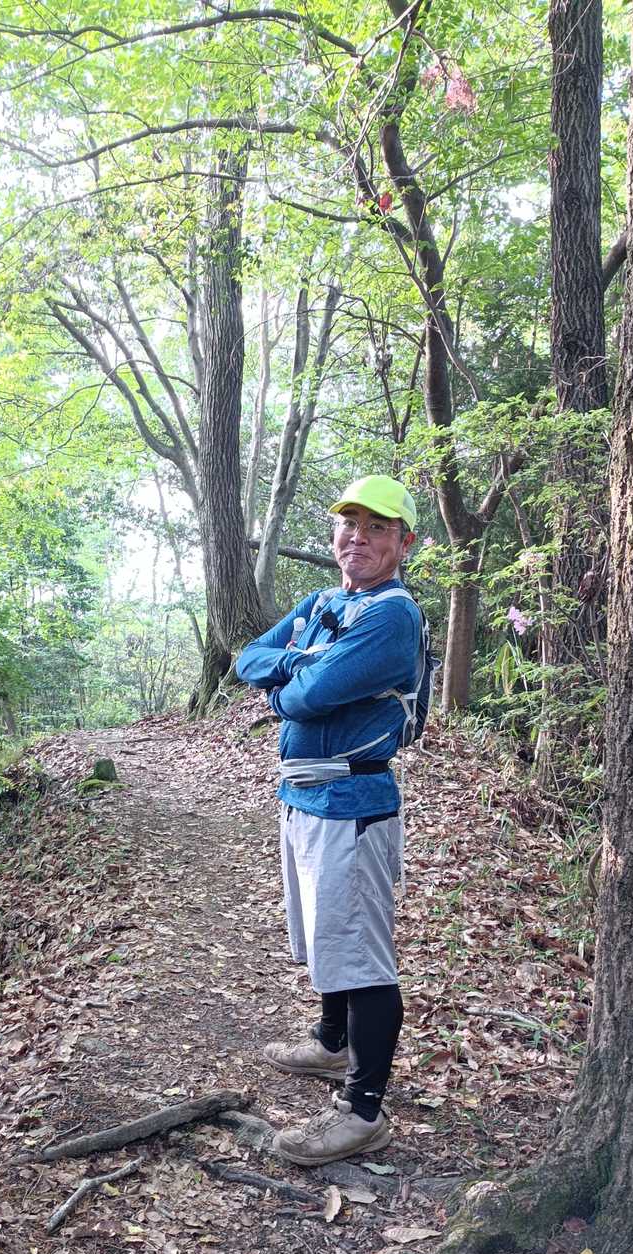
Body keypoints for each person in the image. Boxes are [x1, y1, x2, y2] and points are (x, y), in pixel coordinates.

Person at [236, 474, 421, 1165]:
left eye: (377, 528)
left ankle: (362, 1111)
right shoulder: (321, 603)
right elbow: (246, 658)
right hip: (306, 797)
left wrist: (286, 684)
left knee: (361, 956)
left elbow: (305, 699)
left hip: (353, 804)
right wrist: (299, 660)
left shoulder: (391, 616)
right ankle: (331, 1041)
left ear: (404, 542)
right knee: (325, 935)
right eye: (349, 524)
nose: (358, 538)